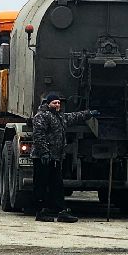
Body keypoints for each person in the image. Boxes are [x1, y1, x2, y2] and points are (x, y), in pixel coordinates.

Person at [29, 93, 97, 224]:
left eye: (59, 103)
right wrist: (44, 153)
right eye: (54, 103)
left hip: (55, 157)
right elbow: (38, 135)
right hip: (42, 158)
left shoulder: (60, 117)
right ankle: (40, 212)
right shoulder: (41, 116)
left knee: (57, 185)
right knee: (41, 184)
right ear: (48, 104)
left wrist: (89, 113)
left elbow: (74, 116)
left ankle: (61, 211)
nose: (57, 105)